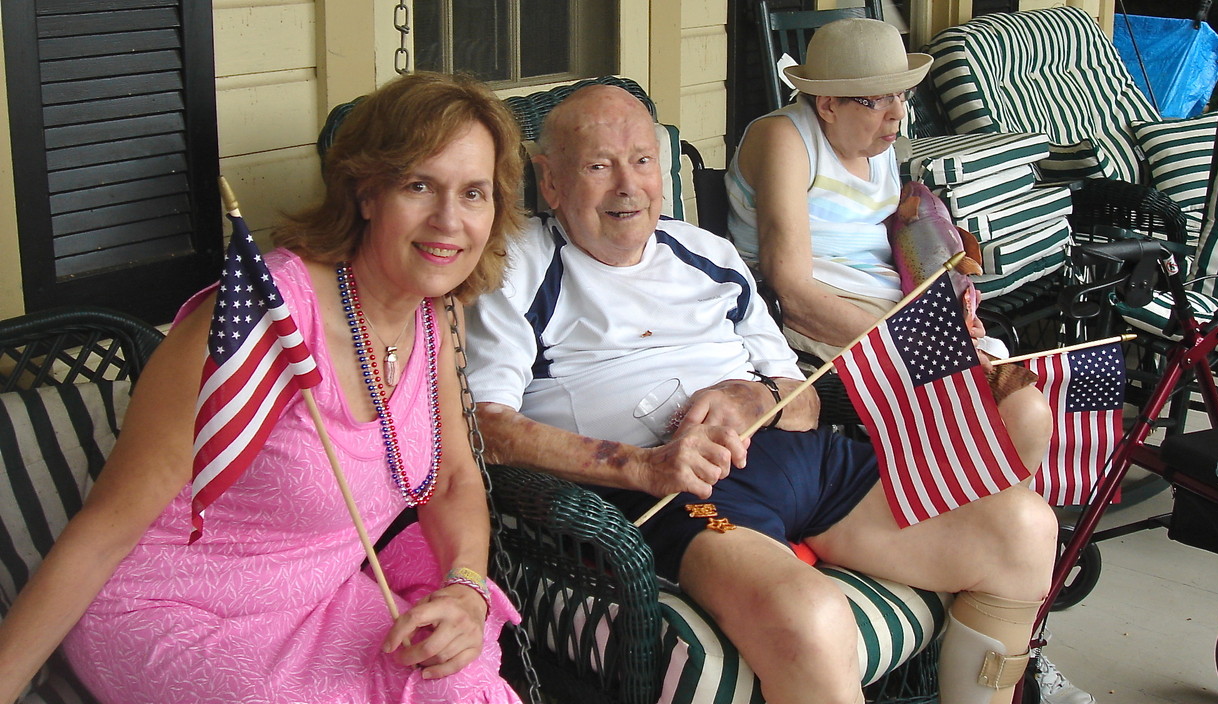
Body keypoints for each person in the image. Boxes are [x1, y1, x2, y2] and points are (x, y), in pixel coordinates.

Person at [464, 82, 1060, 704]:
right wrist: (641, 465)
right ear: (551, 181)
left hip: (798, 462)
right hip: (683, 493)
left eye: (642, 160)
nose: (627, 186)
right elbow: (488, 427)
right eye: (597, 166)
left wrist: (753, 397)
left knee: (1023, 529)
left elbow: (800, 400)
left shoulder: (707, 253)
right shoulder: (515, 269)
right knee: (812, 615)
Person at [0, 73, 526, 704]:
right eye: (419, 185)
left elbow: (452, 481)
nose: (449, 220)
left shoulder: (435, 315)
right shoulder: (258, 321)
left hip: (320, 603)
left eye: (474, 193)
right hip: (175, 614)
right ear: (366, 193)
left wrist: (467, 588)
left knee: (461, 685)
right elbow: (104, 530)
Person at [726, 16, 1092, 704]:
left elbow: (899, 240)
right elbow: (793, 287)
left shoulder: (880, 143)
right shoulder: (784, 137)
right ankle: (985, 596)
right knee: (1016, 415)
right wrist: (924, 341)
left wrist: (953, 294)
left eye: (902, 96)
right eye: (876, 99)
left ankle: (993, 605)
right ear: (826, 101)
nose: (897, 114)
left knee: (1029, 406)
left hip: (901, 317)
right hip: (824, 333)